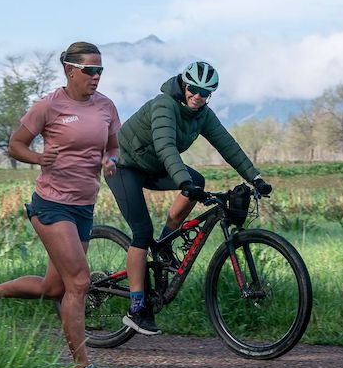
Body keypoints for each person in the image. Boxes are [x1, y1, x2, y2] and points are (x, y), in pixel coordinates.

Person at [0, 41, 122, 368]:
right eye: (89, 71)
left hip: (84, 206)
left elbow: (113, 145)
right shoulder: (50, 106)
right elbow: (16, 144)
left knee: (55, 288)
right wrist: (38, 159)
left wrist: (110, 160)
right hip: (51, 205)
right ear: (69, 69)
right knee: (79, 282)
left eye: (100, 71)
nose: (96, 77)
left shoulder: (106, 107)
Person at [105, 61, 272, 335]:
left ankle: (165, 244)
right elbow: (166, 146)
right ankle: (137, 308)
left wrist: (255, 178)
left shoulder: (202, 114)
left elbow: (227, 144)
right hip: (124, 167)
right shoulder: (164, 105)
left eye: (205, 93)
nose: (198, 96)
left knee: (198, 182)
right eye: (193, 89)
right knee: (142, 232)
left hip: (154, 167)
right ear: (184, 85)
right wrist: (182, 181)